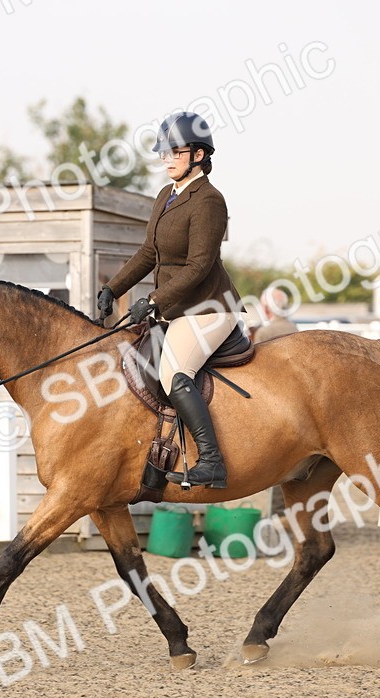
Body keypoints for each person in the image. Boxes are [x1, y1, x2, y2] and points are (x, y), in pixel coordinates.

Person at [96, 111, 242, 489]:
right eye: (163, 153)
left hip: (209, 307)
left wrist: (154, 300)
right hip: (175, 309)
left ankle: (212, 461)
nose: (166, 160)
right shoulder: (166, 195)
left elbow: (198, 265)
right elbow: (148, 253)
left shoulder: (209, 200)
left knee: (173, 373)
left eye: (174, 153)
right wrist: (114, 288)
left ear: (197, 155)